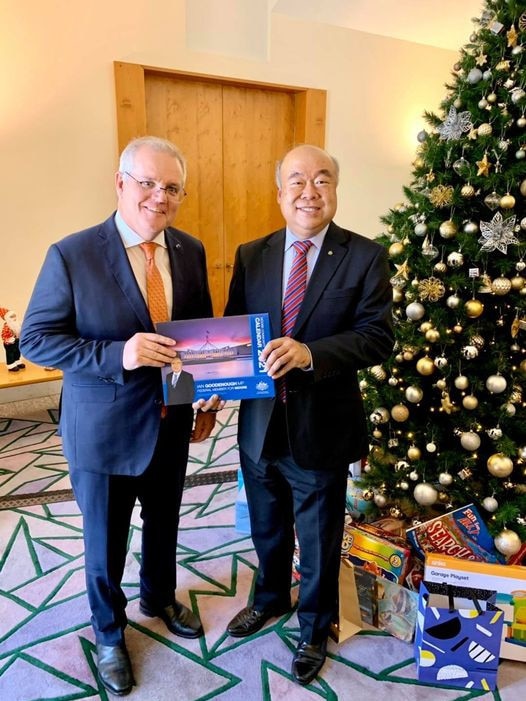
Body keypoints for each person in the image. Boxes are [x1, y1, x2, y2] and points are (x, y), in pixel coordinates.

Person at [20, 136, 224, 696]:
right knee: (104, 540)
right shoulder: (73, 253)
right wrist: (119, 354)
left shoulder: (190, 250)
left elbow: (196, 338)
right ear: (120, 182)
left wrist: (203, 393)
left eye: (172, 188)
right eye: (148, 183)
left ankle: (158, 596)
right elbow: (38, 339)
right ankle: (109, 632)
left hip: (171, 419)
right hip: (103, 430)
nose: (159, 197)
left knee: (165, 522)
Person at [224, 144, 394, 685]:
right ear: (280, 193)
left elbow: (377, 338)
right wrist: (213, 381)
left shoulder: (365, 256)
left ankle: (314, 627)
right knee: (267, 527)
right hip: (258, 422)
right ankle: (270, 598)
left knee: (318, 536)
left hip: (322, 425)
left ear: (335, 192)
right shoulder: (252, 253)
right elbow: (234, 331)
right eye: (297, 180)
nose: (309, 191)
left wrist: (311, 353)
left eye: (322, 180)